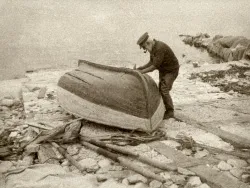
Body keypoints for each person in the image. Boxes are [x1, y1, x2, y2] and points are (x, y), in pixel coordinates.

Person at [136, 32, 179, 119]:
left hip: (171, 71)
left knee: (164, 89)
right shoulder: (153, 47)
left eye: (144, 47)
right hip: (163, 70)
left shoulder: (159, 48)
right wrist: (141, 68)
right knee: (161, 88)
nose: (146, 50)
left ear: (148, 43)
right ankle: (164, 108)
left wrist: (142, 72)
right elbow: (151, 62)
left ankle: (170, 112)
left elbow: (154, 66)